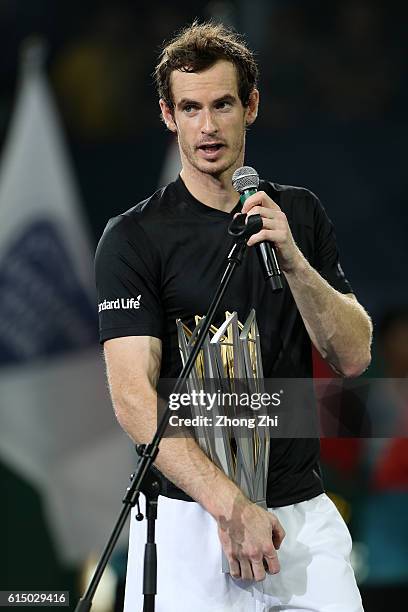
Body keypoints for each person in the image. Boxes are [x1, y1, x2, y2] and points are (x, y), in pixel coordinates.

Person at [95, 21, 372, 612]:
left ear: (251, 106)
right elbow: (132, 399)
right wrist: (230, 504)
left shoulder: (296, 213)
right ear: (168, 116)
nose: (207, 126)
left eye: (222, 105)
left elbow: (353, 354)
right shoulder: (133, 238)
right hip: (192, 518)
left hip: (299, 516)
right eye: (190, 108)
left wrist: (294, 260)